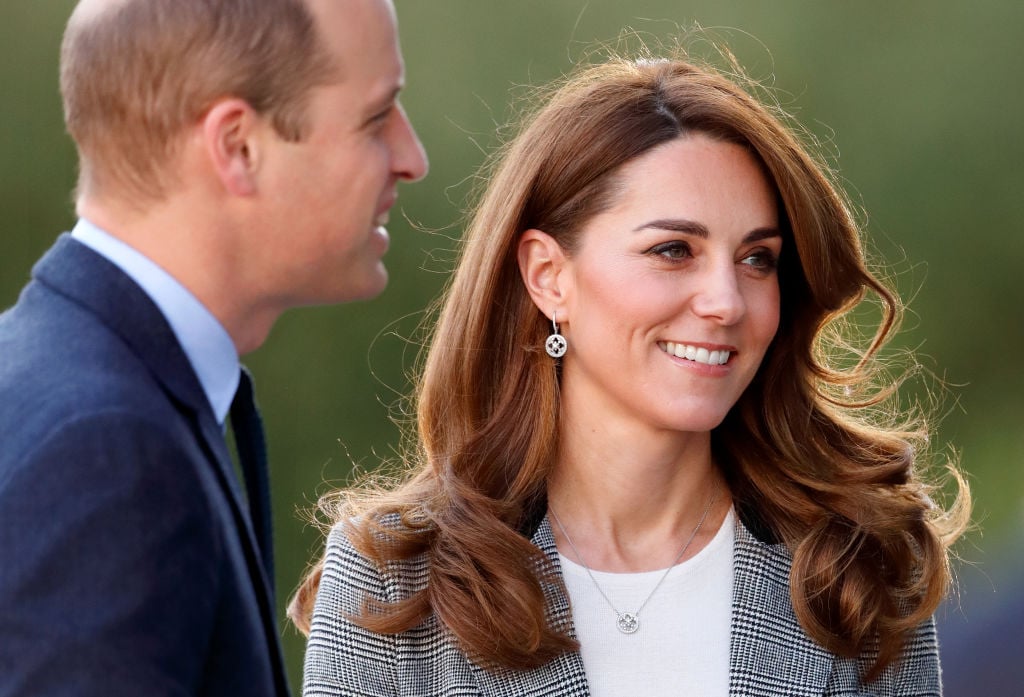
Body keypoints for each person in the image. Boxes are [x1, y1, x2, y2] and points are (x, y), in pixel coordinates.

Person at [290, 53, 968, 696]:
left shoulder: (859, 561)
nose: (727, 301)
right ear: (549, 277)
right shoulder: (390, 577)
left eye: (758, 258)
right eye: (674, 250)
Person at [0, 0, 427, 694]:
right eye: (377, 118)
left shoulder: (63, 384)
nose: (412, 158)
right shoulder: (106, 452)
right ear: (237, 147)